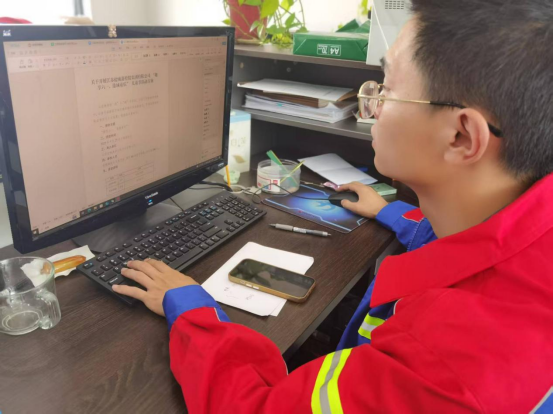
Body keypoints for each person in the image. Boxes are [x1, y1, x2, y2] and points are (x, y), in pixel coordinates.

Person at [113, 1, 553, 413]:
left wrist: (192, 308)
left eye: (387, 89)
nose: (372, 107)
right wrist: (390, 212)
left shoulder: (437, 367)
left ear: (461, 137)